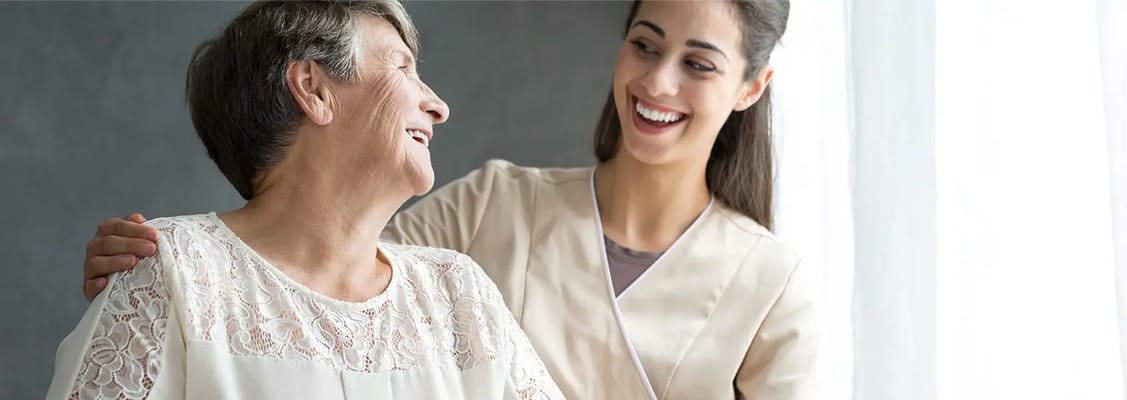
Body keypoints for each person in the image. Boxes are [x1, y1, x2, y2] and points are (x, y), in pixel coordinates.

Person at [79, 0, 820, 398]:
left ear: (751, 88)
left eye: (698, 63)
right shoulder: (493, 207)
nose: (658, 84)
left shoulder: (770, 281)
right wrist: (172, 267)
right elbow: (322, 251)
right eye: (644, 46)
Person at [48, 1, 563, 399]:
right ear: (313, 88)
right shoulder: (173, 275)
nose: (439, 106)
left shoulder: (459, 294)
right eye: (403, 69)